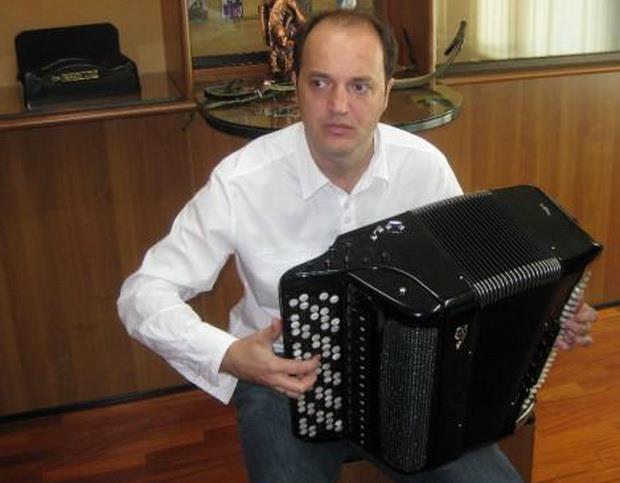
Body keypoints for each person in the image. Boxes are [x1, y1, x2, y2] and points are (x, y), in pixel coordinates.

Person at [117, 10, 598, 483]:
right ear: (296, 86)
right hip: (281, 377)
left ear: (387, 92)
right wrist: (229, 356)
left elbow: (473, 281)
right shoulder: (241, 180)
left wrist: (546, 314)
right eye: (320, 83)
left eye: (360, 86)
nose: (339, 105)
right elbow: (143, 293)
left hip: (408, 372)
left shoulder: (424, 168)